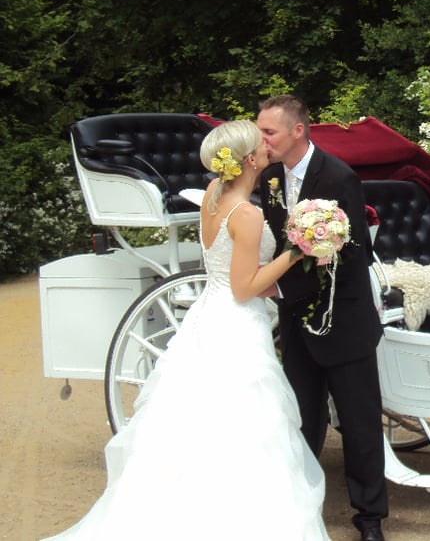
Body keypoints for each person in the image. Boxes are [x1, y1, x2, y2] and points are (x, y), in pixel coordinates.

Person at [41, 120, 329, 541]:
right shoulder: (246, 214)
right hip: (236, 323)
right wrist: (295, 251)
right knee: (245, 423)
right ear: (250, 160)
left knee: (194, 419)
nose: (268, 147)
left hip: (207, 315)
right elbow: (244, 287)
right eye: (260, 145)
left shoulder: (213, 194)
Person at [258, 95, 389, 541]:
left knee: (359, 423)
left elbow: (352, 256)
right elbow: (278, 243)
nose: (262, 140)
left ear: (297, 131)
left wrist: (279, 287)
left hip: (344, 319)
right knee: (301, 419)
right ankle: (300, 509)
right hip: (296, 322)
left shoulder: (338, 176)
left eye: (269, 132)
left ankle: (369, 519)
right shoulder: (270, 178)